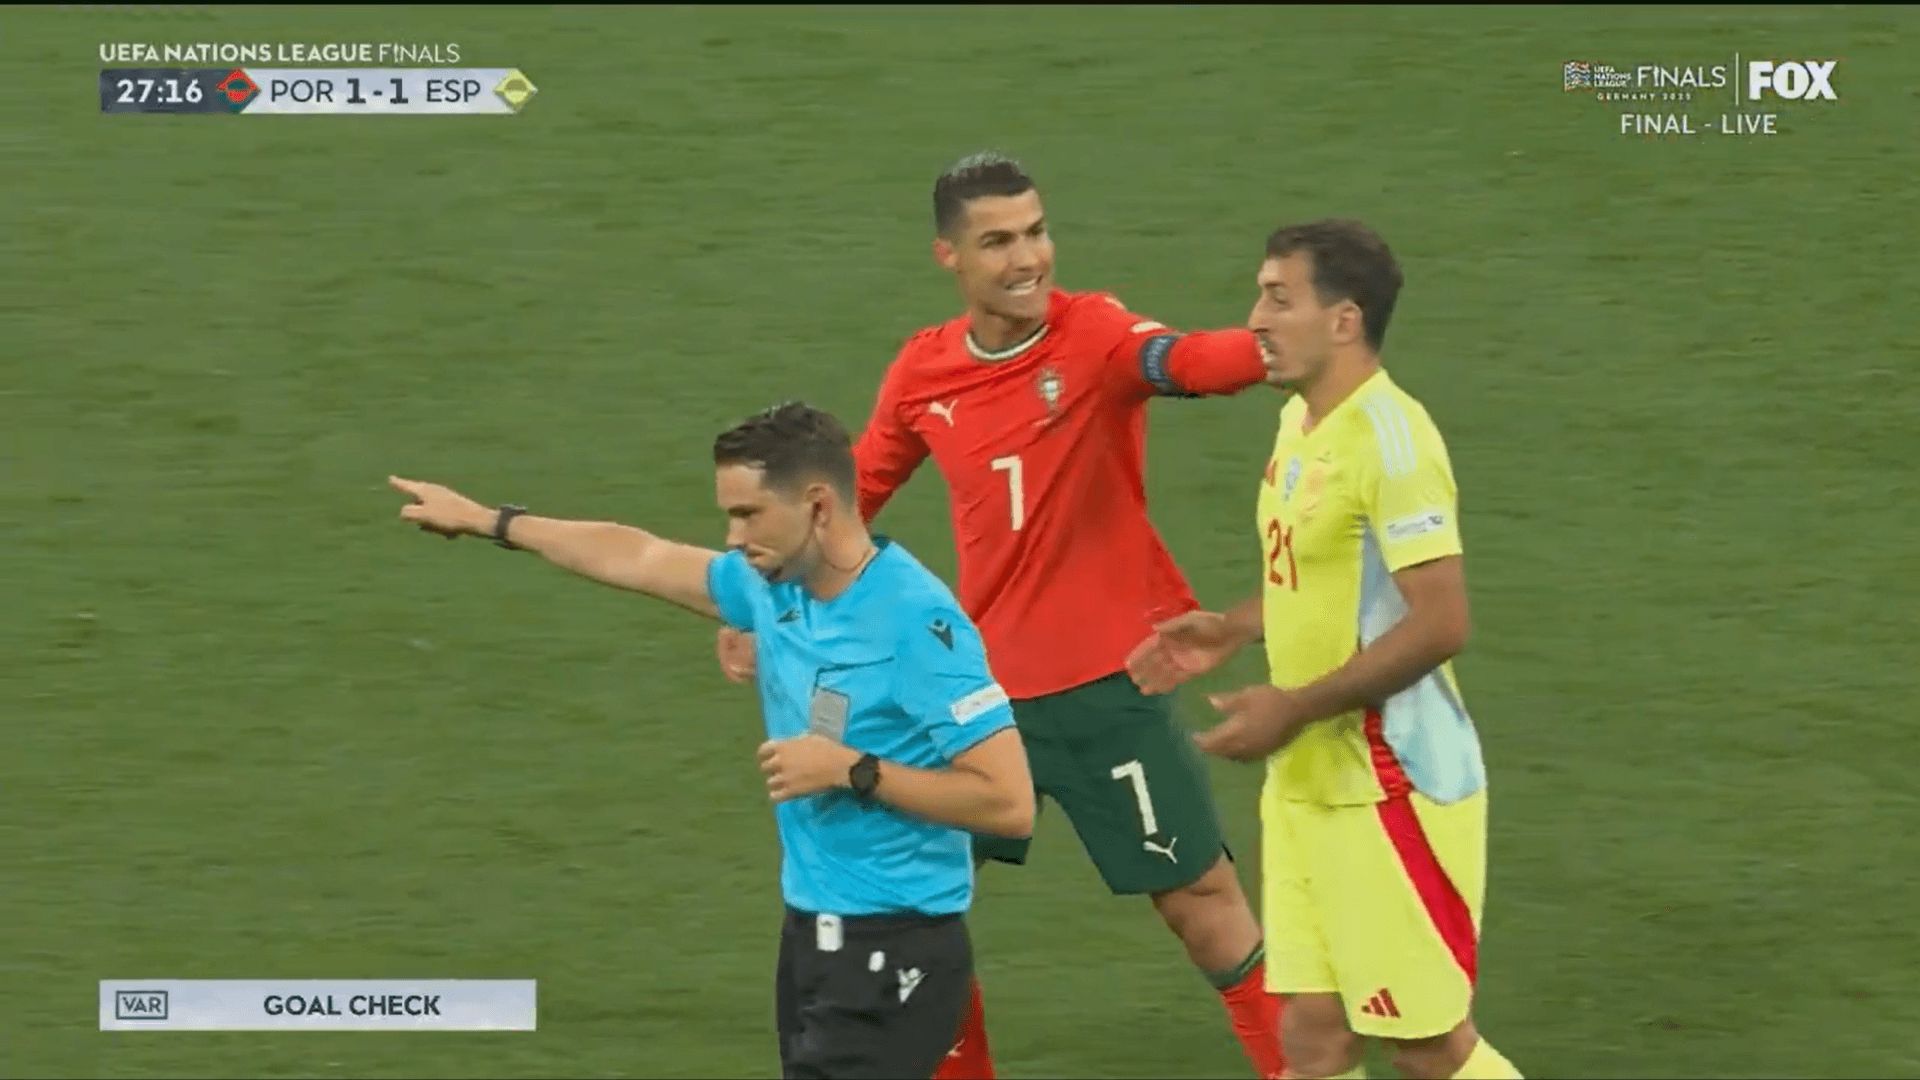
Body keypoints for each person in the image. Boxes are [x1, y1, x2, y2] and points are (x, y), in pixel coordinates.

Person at [718, 153, 1289, 1079]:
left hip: (1111, 690)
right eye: (998, 241)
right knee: (911, 914)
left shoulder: (1096, 334)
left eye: (1036, 232)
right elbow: (846, 493)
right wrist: (762, 586)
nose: (1027, 258)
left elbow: (1177, 360)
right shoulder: (925, 369)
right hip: (972, 705)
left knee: (1202, 902)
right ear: (950, 254)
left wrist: (1266, 351)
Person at [389, 401, 1036, 1080]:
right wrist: (491, 521)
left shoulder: (917, 623)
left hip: (898, 947)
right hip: (812, 936)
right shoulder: (772, 590)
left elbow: (1009, 803)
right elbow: (638, 555)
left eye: (749, 514)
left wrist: (855, 770)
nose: (733, 537)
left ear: (817, 505)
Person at [1126, 220, 1522, 1079]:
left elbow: (1439, 620)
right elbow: (1337, 585)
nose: (1255, 318)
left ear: (1344, 320)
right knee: (1310, 1034)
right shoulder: (1300, 425)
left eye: (1279, 298)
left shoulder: (1393, 440)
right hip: (1307, 782)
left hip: (1388, 787)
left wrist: (1293, 706)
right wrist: (1235, 627)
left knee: (1426, 1047)